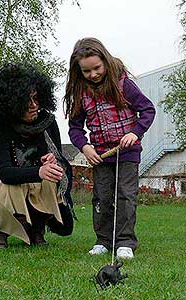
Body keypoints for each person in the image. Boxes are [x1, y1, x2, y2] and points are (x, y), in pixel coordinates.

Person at [0, 62, 74, 248]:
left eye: (36, 99)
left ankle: (36, 229)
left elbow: (58, 163)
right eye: (26, 101)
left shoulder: (48, 123)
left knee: (50, 180)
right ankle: (0, 233)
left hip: (34, 188)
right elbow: (5, 172)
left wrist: (53, 161)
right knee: (9, 185)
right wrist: (39, 171)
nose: (34, 106)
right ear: (12, 102)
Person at [64, 37, 155, 260]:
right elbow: (75, 128)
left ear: (105, 60)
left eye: (97, 68)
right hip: (101, 156)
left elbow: (148, 110)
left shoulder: (123, 85)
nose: (93, 74)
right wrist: (84, 147)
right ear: (78, 71)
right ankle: (103, 240)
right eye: (86, 71)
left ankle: (125, 242)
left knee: (126, 195)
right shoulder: (81, 94)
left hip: (127, 153)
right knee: (102, 197)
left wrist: (134, 133)